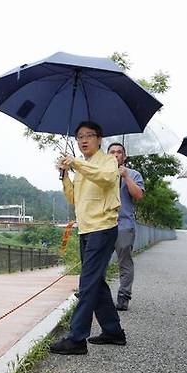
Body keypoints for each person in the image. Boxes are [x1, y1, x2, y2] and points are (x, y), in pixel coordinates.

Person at [49, 121, 125, 355]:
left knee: (88, 283)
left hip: (102, 228)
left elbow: (105, 179)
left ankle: (77, 338)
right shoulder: (83, 166)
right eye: (79, 137)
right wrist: (64, 176)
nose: (83, 140)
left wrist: (75, 163)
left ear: (99, 138)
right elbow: (74, 198)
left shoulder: (108, 161)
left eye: (89, 135)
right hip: (86, 229)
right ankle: (113, 332)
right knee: (96, 282)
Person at [107, 142, 144, 311]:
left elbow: (138, 196)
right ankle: (94, 294)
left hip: (124, 225)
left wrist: (125, 176)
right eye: (112, 152)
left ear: (125, 156)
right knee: (97, 262)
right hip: (103, 224)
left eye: (119, 152)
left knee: (124, 263)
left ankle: (124, 296)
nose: (116, 155)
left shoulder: (134, 174)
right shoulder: (101, 173)